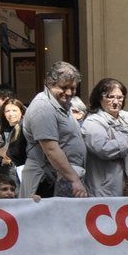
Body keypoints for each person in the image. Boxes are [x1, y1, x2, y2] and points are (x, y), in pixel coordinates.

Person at [19, 62, 87, 199]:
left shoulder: (62, 104)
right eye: (63, 87)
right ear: (49, 84)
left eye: (73, 88)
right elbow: (51, 150)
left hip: (61, 179)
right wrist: (74, 179)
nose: (68, 92)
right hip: (46, 181)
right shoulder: (43, 107)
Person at [81, 78, 128, 197]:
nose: (115, 102)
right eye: (110, 97)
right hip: (106, 188)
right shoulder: (93, 121)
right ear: (99, 98)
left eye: (120, 97)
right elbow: (103, 149)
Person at [0, 96, 25, 185]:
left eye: (14, 110)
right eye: (7, 111)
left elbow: (13, 152)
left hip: (20, 171)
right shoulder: (7, 129)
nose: (11, 114)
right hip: (8, 171)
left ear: (21, 111)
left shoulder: (24, 127)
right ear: (3, 113)